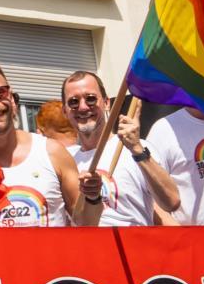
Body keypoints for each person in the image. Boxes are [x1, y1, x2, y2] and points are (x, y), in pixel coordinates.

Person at [0, 61, 92, 227]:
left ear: (11, 97)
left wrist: (93, 198)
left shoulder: (52, 152)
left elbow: (86, 222)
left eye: (0, 92)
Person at [65, 72, 183, 228]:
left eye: (91, 99)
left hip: (133, 249)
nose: (83, 107)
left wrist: (136, 149)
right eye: (73, 101)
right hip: (89, 250)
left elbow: (171, 201)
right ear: (64, 110)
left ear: (107, 103)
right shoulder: (65, 160)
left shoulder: (134, 148)